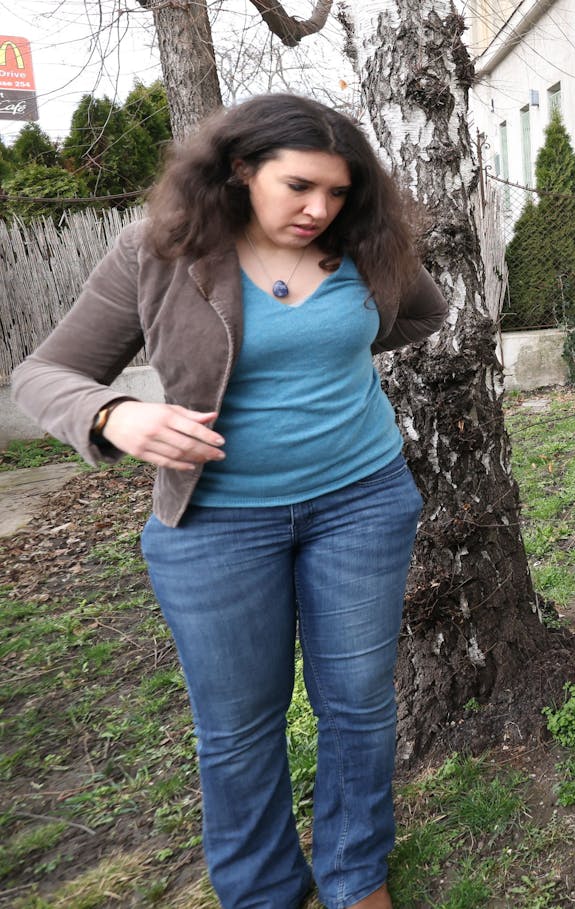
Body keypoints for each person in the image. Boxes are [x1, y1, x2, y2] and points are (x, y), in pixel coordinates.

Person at [11, 94, 448, 909]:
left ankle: (358, 875)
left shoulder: (364, 244)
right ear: (242, 170)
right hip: (216, 526)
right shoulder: (163, 250)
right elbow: (42, 374)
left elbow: (424, 312)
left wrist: (331, 356)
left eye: (340, 191)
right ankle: (262, 892)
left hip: (362, 502)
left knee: (358, 708)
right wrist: (115, 414)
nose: (321, 208)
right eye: (299, 187)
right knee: (240, 730)